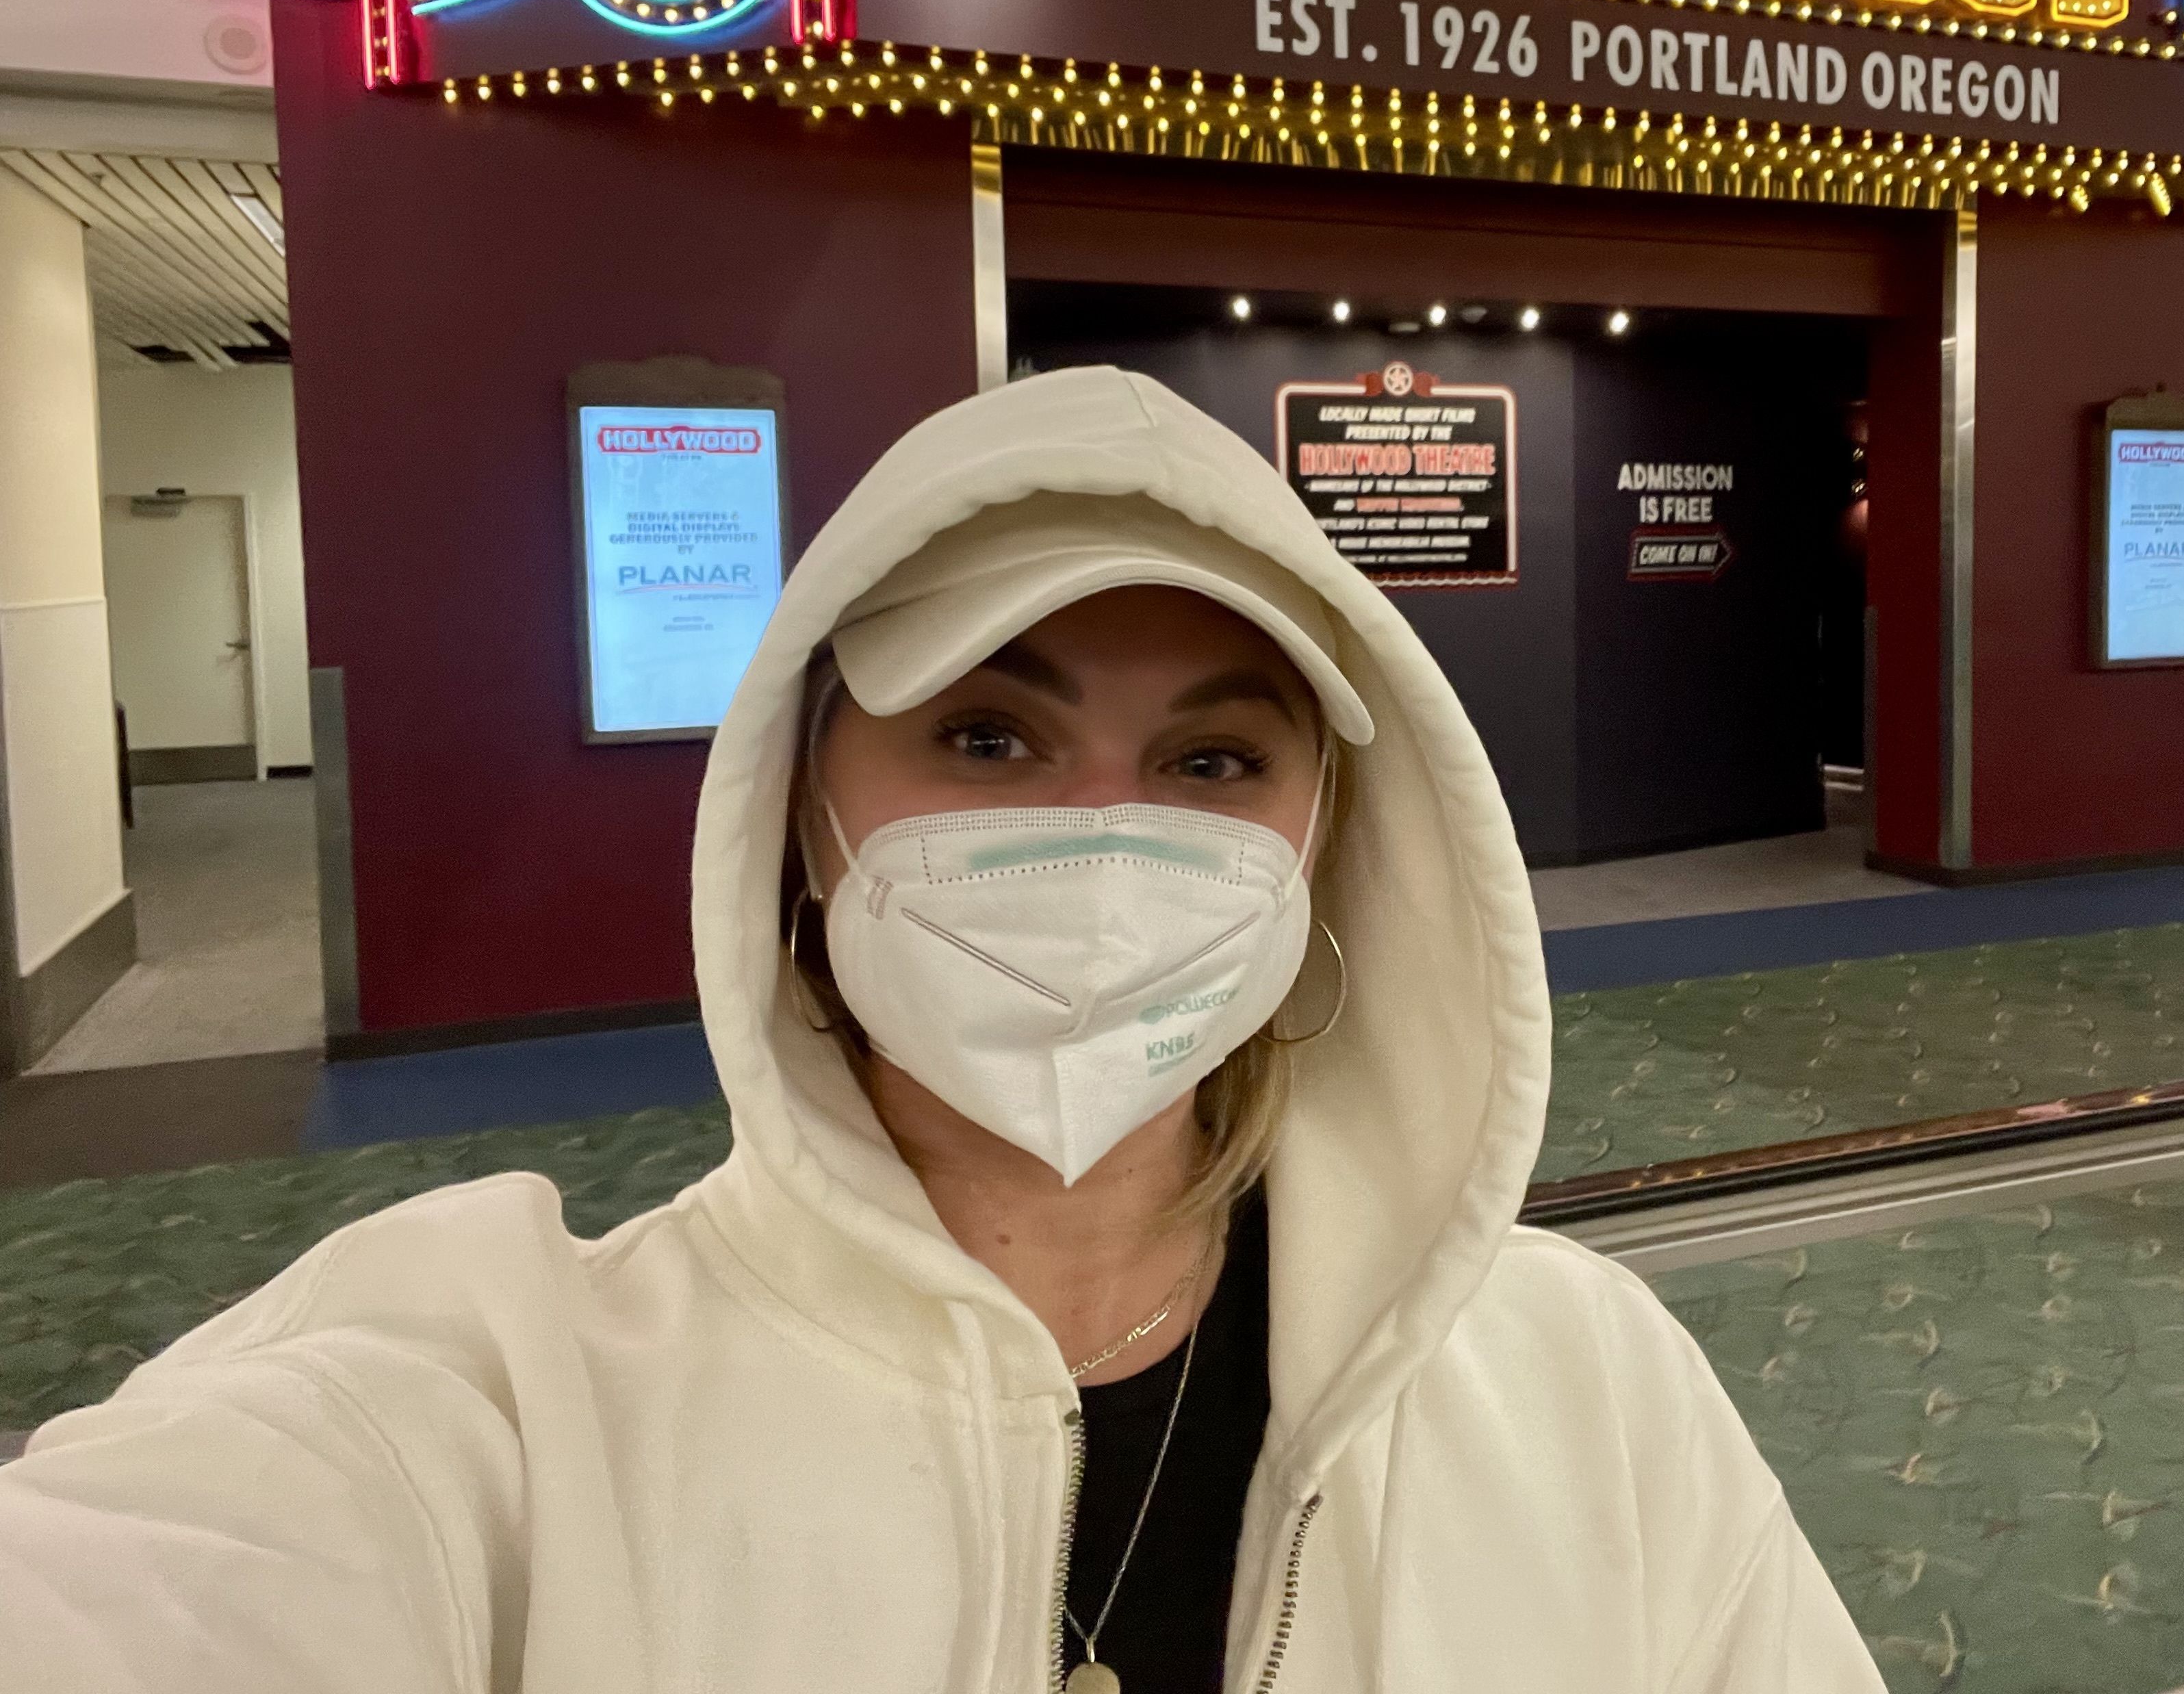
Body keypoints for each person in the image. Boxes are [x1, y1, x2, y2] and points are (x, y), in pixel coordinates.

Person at [0, 366, 1881, 1693]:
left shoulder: (1588, 1389)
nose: (1100, 829)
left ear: (1329, 852)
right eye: (988, 737)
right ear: (796, 829)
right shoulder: (475, 1412)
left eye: (1214, 759)